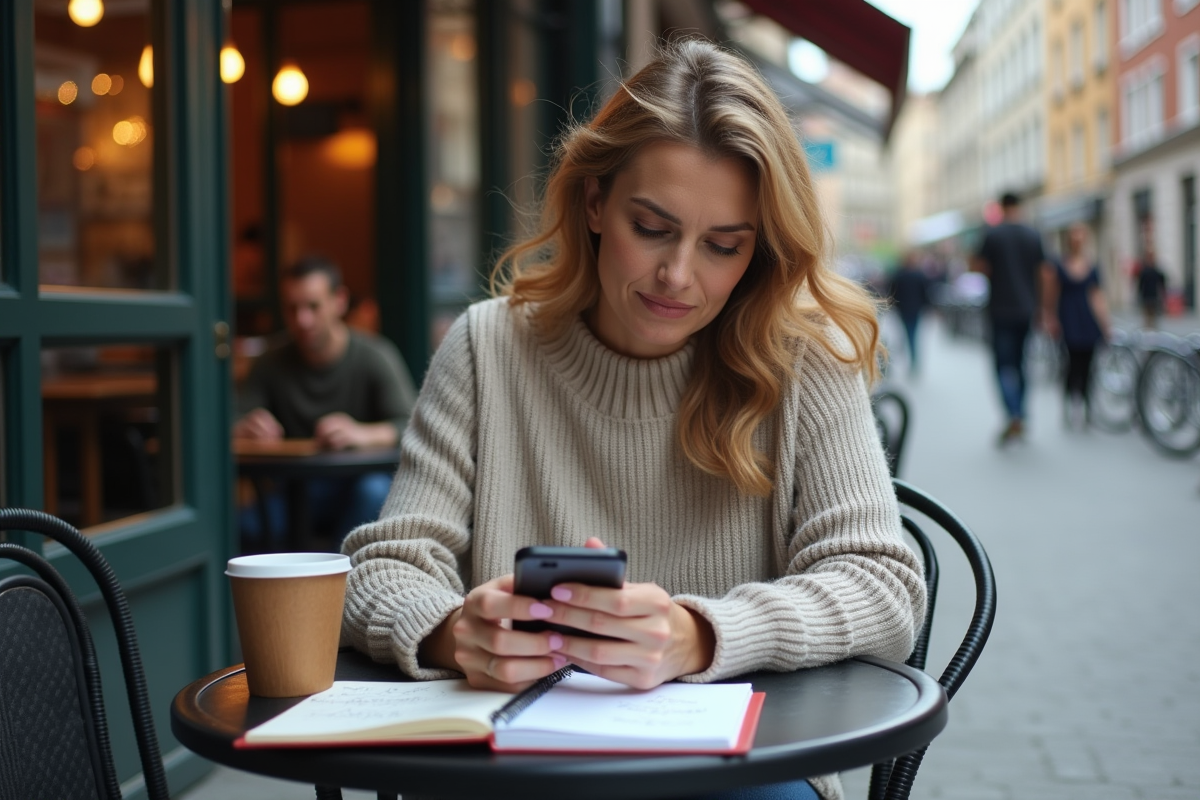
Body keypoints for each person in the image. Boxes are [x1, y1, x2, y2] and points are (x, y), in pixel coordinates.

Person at [339, 39, 925, 800]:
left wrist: (702, 635)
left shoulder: (804, 363)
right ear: (593, 201)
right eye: (651, 228)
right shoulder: (488, 347)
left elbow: (882, 586)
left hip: (740, 777)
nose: (679, 276)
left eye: (722, 246)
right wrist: (451, 631)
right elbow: (379, 570)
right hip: (513, 773)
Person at [234, 256, 418, 549]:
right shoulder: (270, 361)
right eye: (292, 308)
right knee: (241, 526)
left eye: (313, 306)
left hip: (357, 486)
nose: (302, 320)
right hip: (295, 490)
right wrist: (246, 426)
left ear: (339, 301)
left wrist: (361, 433)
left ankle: (334, 590)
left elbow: (412, 426)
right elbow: (233, 418)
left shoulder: (375, 355)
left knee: (373, 492)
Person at [973, 191, 1048, 445]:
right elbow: (1044, 274)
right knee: (1021, 363)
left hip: (1000, 310)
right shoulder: (1032, 234)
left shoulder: (992, 234)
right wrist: (1043, 308)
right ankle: (1021, 413)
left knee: (1003, 365)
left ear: (1002, 207)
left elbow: (979, 268)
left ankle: (1013, 413)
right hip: (1027, 309)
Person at [1041, 223, 1111, 428]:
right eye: (1075, 237)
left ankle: (1088, 407)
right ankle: (1070, 405)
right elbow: (1051, 294)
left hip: (1087, 320)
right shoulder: (1059, 265)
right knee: (1071, 365)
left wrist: (1105, 323)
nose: (1078, 241)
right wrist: (1050, 317)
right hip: (1068, 320)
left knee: (1089, 366)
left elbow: (1097, 297)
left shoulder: (1092, 266)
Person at [888, 251, 931, 374]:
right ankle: (913, 360)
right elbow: (925, 293)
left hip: (903, 309)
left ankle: (909, 359)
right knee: (912, 335)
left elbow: (892, 293)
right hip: (915, 310)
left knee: (907, 334)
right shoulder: (919, 275)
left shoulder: (898, 274)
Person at [1133, 240, 1167, 329]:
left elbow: (1162, 282)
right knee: (1149, 318)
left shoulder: (1149, 270)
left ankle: (1150, 332)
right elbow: (1162, 282)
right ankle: (1150, 332)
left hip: (1151, 296)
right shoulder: (1150, 270)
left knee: (1151, 318)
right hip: (1149, 296)